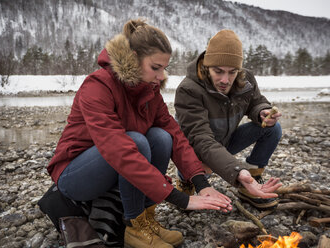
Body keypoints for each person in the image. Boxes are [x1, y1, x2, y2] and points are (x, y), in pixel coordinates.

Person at [47, 19, 232, 248]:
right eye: (156, 68)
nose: (162, 76)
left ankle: (145, 220)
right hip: (74, 175)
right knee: (135, 141)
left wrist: (201, 183)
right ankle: (134, 227)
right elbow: (120, 150)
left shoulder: (150, 91)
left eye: (164, 68)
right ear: (133, 58)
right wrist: (180, 198)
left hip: (116, 166)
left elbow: (175, 135)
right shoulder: (97, 86)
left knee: (161, 137)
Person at [174, 29, 283, 210]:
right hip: (196, 149)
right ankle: (185, 180)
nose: (225, 80)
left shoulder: (245, 80)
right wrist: (237, 171)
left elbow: (256, 101)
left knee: (272, 128)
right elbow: (201, 139)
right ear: (207, 67)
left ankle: (252, 181)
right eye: (218, 71)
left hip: (227, 141)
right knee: (192, 194)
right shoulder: (189, 90)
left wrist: (262, 112)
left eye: (232, 72)